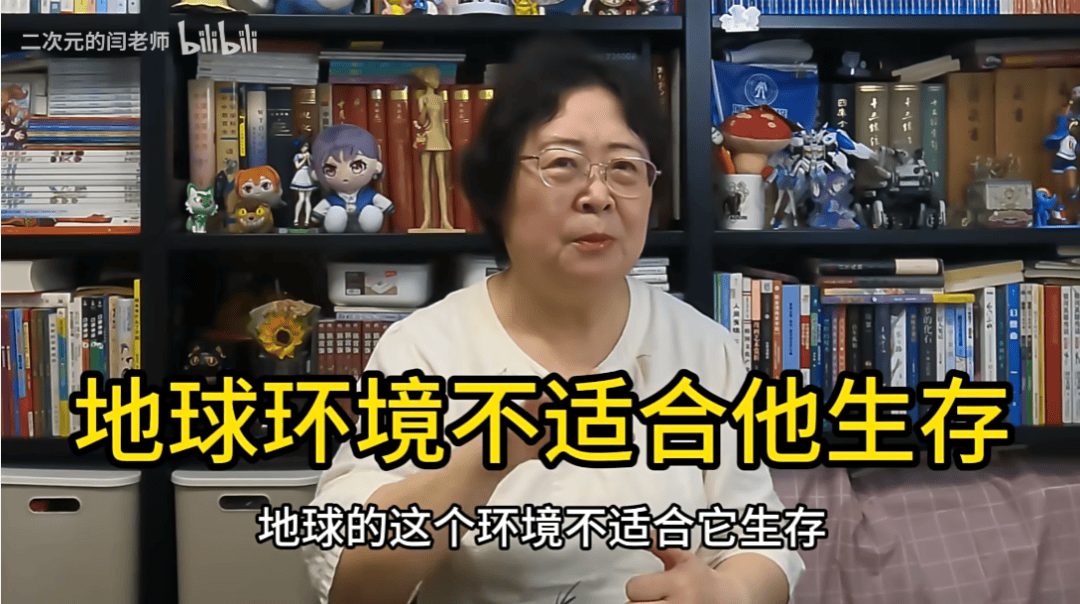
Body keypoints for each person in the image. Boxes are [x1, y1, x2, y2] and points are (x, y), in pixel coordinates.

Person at [302, 34, 805, 604]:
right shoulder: (426, 349)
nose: (598, 194)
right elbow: (349, 582)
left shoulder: (702, 346)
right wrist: (479, 465)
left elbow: (762, 542)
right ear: (498, 189)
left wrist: (727, 594)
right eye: (562, 163)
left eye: (625, 167)